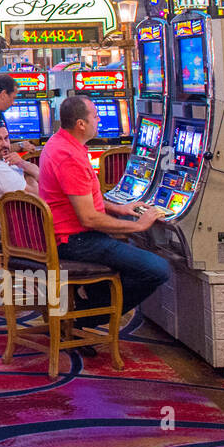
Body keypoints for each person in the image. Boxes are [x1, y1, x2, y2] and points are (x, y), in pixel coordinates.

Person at [38, 94, 169, 329]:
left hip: (71, 235)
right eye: (96, 116)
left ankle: (89, 304)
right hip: (76, 240)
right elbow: (88, 217)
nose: (100, 120)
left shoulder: (61, 143)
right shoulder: (68, 157)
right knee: (158, 269)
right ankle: (86, 319)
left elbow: (81, 197)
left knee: (130, 258)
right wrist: (138, 225)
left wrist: (119, 207)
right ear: (81, 124)